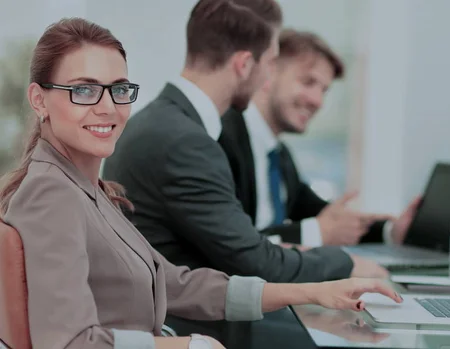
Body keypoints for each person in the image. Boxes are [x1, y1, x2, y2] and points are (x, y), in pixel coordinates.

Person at [0, 18, 403, 349]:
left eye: (119, 89)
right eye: (83, 90)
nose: (108, 107)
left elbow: (173, 283)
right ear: (39, 100)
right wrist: (187, 346)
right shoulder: (52, 195)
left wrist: (312, 291)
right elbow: (69, 343)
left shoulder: (87, 187)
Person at [102, 0, 388, 281]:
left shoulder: (165, 123)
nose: (268, 74)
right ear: (245, 64)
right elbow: (256, 262)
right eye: (270, 62)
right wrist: (345, 263)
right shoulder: (186, 142)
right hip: (183, 320)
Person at [219, 29, 422, 248]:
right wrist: (317, 232)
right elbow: (231, 241)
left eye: (324, 90)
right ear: (268, 74)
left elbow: (324, 216)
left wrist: (390, 230)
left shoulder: (279, 157)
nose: (318, 101)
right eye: (308, 82)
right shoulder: (221, 137)